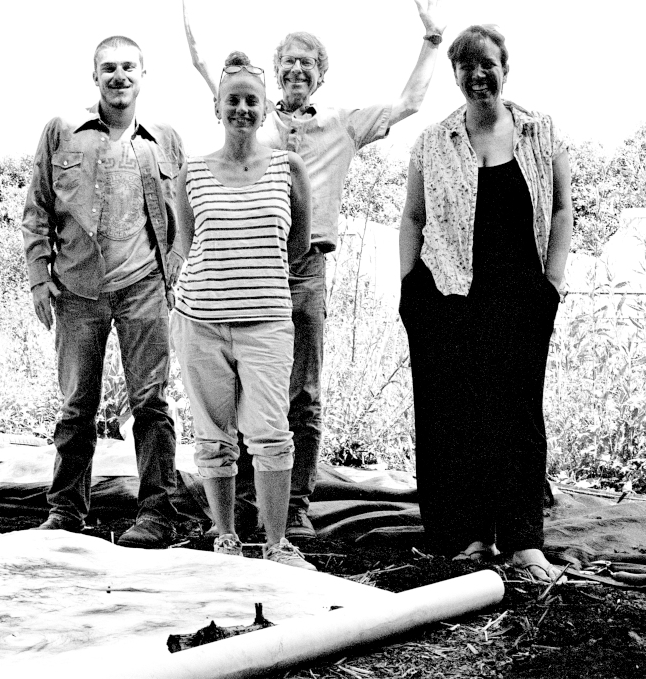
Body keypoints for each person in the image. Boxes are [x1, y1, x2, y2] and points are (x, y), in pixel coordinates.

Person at [182, 0, 445, 540]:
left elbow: (409, 103)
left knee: (301, 392)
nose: (297, 70)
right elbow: (219, 80)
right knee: (236, 389)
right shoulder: (255, 116)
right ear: (274, 73)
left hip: (303, 270)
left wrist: (431, 41)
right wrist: (196, 46)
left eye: (309, 63)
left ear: (321, 75)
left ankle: (294, 505)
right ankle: (244, 506)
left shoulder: (343, 124)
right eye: (288, 62)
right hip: (244, 268)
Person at [397, 25, 573, 582]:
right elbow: (413, 217)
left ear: (505, 68)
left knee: (518, 412)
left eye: (487, 64)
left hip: (521, 294)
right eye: (466, 67)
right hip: (446, 293)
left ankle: (523, 541)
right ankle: (467, 537)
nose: (478, 76)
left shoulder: (540, 132)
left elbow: (564, 210)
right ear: (455, 76)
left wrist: (553, 282)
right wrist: (408, 287)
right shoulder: (433, 141)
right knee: (454, 416)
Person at [21, 36, 185, 549]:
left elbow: (185, 213)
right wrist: (39, 277)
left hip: (143, 289)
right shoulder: (62, 132)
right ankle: (66, 511)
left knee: (152, 404)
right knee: (77, 406)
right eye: (109, 68)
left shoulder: (164, 139)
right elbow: (37, 208)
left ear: (143, 75)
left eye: (129, 67)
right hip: (77, 290)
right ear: (95, 77)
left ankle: (157, 514)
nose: (120, 76)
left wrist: (170, 273)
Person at [172, 52, 315, 569]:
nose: (242, 109)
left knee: (271, 432)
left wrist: (254, 280)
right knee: (213, 435)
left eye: (251, 101)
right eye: (232, 100)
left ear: (264, 109)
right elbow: (189, 247)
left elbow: (298, 244)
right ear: (217, 106)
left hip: (267, 322)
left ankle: (278, 545)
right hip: (201, 322)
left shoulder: (287, 166)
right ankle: (226, 538)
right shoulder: (193, 173)